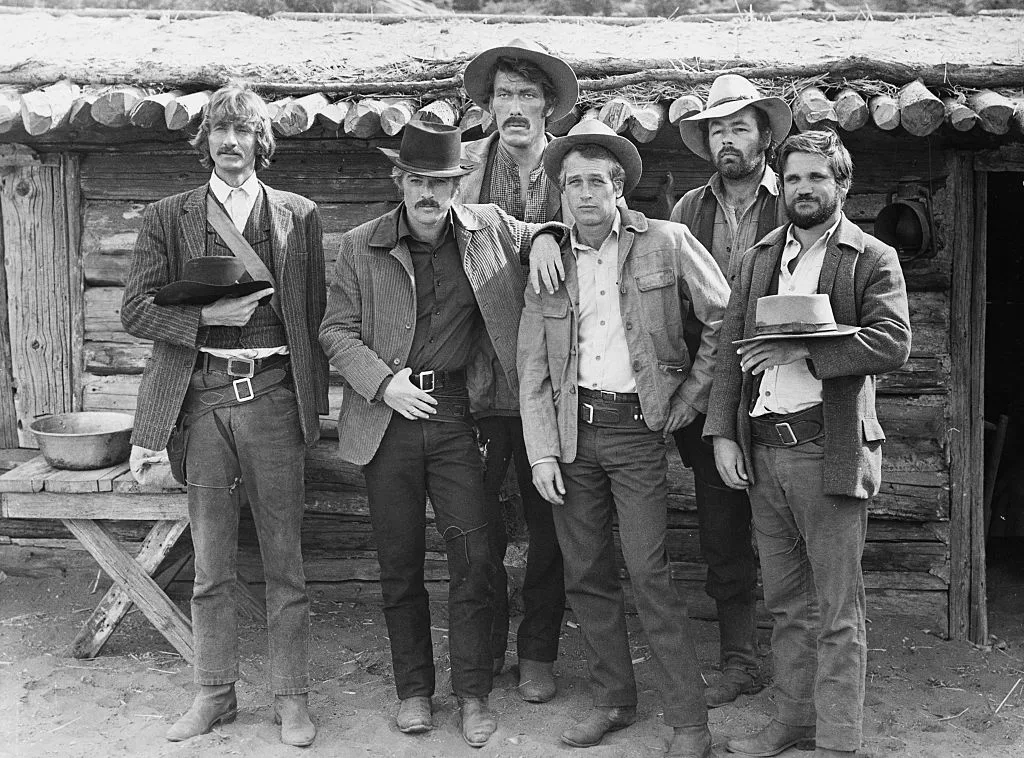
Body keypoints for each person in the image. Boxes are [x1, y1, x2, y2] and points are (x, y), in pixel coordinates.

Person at [318, 121, 564, 749]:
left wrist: (545, 238)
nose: (430, 194)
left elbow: (538, 229)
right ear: (399, 180)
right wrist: (383, 383)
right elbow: (335, 333)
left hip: (459, 417)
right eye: (418, 181)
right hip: (388, 418)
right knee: (399, 565)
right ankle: (414, 693)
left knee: (475, 563)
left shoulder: (486, 231)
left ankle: (474, 695)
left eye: (442, 183)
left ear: (458, 185)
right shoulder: (360, 245)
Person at [122, 85, 328, 747]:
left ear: (260, 142)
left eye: (244, 132)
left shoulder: (300, 214)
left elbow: (315, 316)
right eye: (221, 132)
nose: (232, 144)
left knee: (285, 562)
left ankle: (291, 700)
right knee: (211, 566)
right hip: (204, 402)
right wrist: (205, 316)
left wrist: (317, 408)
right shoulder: (168, 216)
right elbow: (133, 312)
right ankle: (213, 694)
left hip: (273, 398)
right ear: (205, 141)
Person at [518, 119, 730, 757]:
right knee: (586, 573)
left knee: (648, 573)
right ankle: (615, 699)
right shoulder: (549, 261)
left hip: (639, 432)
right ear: (561, 196)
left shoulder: (667, 241)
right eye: (572, 184)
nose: (584, 195)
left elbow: (722, 314)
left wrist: (687, 402)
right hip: (572, 433)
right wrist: (540, 451)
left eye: (596, 182)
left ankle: (689, 722)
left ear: (619, 189)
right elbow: (533, 365)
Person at [705, 129, 911, 758]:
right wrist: (723, 435)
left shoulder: (870, 257)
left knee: (837, 607)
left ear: (842, 185)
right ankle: (793, 720)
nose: (804, 189)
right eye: (793, 178)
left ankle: (840, 738)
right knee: (787, 603)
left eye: (817, 177)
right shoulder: (761, 257)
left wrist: (805, 349)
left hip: (830, 451)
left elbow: (893, 342)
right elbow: (729, 354)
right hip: (765, 451)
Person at [460, 37, 580, 702]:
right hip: (475, 384)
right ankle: (478, 659)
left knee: (550, 531)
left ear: (549, 107)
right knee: (472, 532)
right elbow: (449, 222)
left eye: (527, 96)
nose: (514, 107)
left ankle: (537, 654)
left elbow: (600, 230)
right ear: (487, 105)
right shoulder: (466, 165)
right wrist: (532, 235)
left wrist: (553, 232)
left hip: (553, 386)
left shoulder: (573, 170)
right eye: (503, 94)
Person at [669, 73, 793, 707]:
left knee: (789, 524)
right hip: (714, 387)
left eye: (739, 127)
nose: (727, 140)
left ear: (765, 137)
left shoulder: (791, 200)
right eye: (717, 129)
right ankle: (740, 659)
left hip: (788, 384)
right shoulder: (689, 210)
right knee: (722, 528)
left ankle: (802, 664)